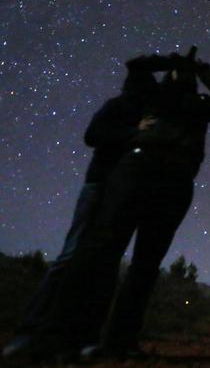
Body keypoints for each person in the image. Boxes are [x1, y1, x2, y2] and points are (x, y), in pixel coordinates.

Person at [33, 49, 210, 359]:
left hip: (167, 183)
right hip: (142, 177)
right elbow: (136, 67)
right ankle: (78, 337)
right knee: (108, 255)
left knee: (142, 265)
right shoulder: (155, 95)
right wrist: (180, 65)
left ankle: (117, 341)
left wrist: (196, 68)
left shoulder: (196, 106)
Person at [2, 57, 159, 359]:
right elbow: (93, 136)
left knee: (100, 262)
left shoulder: (145, 112)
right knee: (71, 255)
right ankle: (31, 329)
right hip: (99, 186)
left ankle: (80, 335)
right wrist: (132, 131)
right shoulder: (117, 106)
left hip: (119, 192)